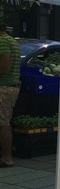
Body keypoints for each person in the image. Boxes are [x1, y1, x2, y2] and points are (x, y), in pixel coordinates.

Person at [0, 23, 20, 167]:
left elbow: (5, 65)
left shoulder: (2, 41)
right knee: (4, 120)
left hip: (4, 87)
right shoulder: (12, 41)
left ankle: (7, 158)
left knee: (3, 122)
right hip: (11, 86)